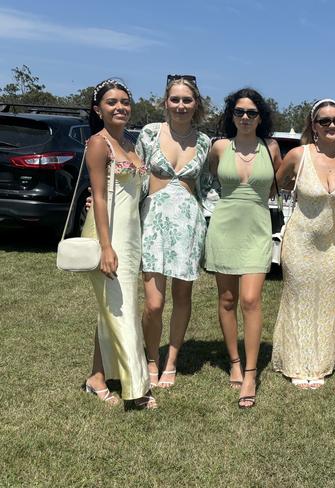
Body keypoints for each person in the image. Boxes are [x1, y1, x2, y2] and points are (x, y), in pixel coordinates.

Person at [204, 88, 282, 408]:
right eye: (239, 112)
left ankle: (250, 373)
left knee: (250, 299)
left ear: (260, 117)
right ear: (231, 115)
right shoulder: (220, 147)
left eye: (251, 113)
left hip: (257, 229)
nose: (245, 118)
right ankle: (234, 362)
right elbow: (210, 176)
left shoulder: (272, 147)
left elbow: (281, 182)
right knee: (227, 299)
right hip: (224, 227)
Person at [82, 79, 156, 409]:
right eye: (112, 102)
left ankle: (96, 378)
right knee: (122, 310)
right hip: (107, 236)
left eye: (125, 101)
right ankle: (137, 389)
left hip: (131, 237)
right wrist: (105, 246)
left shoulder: (130, 143)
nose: (120, 107)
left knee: (110, 309)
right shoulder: (99, 144)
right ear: (98, 110)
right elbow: (98, 196)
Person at [137, 75, 212, 388]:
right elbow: (136, 175)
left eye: (187, 100)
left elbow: (208, 187)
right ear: (165, 101)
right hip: (153, 221)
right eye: (175, 99)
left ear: (196, 104)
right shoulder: (150, 133)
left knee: (183, 296)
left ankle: (171, 360)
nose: (181, 105)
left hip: (188, 224)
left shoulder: (205, 141)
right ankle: (151, 357)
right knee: (154, 303)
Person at [271, 99, 335, 389]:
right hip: (300, 239)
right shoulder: (298, 155)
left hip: (332, 244)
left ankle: (319, 362)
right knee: (298, 298)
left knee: (324, 300)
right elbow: (276, 184)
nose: (331, 125)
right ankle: (296, 362)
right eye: (324, 121)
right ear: (313, 125)